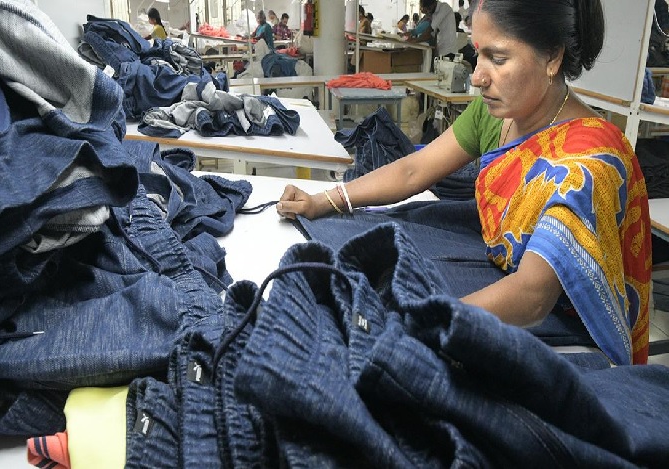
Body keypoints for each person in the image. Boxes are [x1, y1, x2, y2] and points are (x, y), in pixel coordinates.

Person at [277, 0, 652, 366]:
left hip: (564, 324)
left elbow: (533, 296)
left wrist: (420, 326)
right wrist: (324, 201)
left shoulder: (586, 164)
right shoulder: (499, 114)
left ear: (552, 57)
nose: (477, 77)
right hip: (505, 281)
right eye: (477, 55)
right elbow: (414, 170)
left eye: (497, 59)